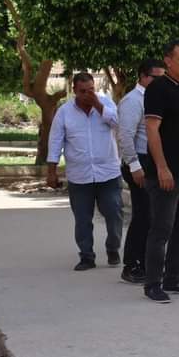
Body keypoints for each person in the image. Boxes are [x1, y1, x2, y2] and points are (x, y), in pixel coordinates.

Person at [142, 39, 179, 304]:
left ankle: (173, 278)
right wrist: (162, 167)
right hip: (166, 174)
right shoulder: (158, 88)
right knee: (162, 229)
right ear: (168, 61)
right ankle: (153, 283)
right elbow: (152, 130)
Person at [46, 72, 123, 271]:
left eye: (91, 90)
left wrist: (98, 105)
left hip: (108, 173)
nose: (88, 94)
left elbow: (118, 124)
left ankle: (113, 248)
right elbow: (55, 142)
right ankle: (87, 256)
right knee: (82, 219)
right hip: (79, 176)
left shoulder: (106, 103)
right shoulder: (64, 112)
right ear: (74, 91)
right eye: (83, 91)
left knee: (114, 213)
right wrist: (51, 171)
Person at [116, 58, 165, 284]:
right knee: (143, 215)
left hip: (154, 162)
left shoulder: (157, 99)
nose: (160, 82)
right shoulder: (133, 101)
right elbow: (125, 136)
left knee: (154, 216)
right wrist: (134, 165)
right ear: (143, 77)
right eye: (156, 77)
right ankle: (132, 264)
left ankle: (147, 263)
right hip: (139, 162)